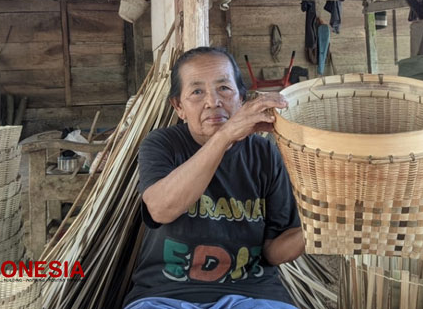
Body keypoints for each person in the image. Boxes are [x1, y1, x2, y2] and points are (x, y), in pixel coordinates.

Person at [124, 47, 305, 309]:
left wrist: (316, 230)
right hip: (167, 295)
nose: (213, 101)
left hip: (252, 294)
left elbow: (273, 251)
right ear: (179, 107)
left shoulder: (265, 154)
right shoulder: (162, 145)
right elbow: (161, 209)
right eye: (197, 92)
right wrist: (225, 136)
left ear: (241, 98)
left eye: (224, 88)